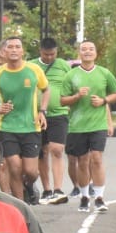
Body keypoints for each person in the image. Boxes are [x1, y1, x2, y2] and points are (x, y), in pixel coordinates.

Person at [0, 37, 49, 204]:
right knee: (14, 167)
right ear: (4, 51)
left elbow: (46, 90)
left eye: (17, 47)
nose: (14, 50)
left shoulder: (34, 70)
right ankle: (20, 205)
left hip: (31, 127)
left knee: (31, 171)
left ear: (22, 51)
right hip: (7, 127)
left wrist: (42, 111)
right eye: (10, 47)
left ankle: (29, 185)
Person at [61, 41, 116, 212]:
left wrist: (104, 101)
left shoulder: (104, 73)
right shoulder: (71, 75)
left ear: (96, 53)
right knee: (82, 161)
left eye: (91, 49)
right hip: (78, 125)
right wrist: (77, 96)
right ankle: (85, 196)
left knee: (97, 158)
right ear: (79, 53)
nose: (87, 52)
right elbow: (62, 100)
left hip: (98, 124)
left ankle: (100, 197)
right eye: (84, 49)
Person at [35, 38, 73, 204]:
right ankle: (47, 189)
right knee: (42, 153)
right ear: (40, 52)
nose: (49, 57)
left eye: (52, 54)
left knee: (57, 149)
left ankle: (58, 189)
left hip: (59, 113)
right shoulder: (32, 66)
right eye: (46, 54)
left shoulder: (63, 65)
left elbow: (72, 85)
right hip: (36, 115)